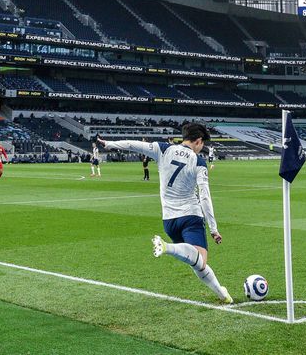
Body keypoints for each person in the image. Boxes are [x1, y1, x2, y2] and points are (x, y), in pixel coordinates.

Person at [97, 122, 232, 303]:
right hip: (190, 216)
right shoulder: (198, 162)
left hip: (169, 221)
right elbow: (205, 196)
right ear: (198, 141)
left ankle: (222, 294)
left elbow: (134, 144)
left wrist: (109, 144)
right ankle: (167, 247)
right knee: (200, 260)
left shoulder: (163, 149)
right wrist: (214, 228)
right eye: (202, 145)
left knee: (194, 261)